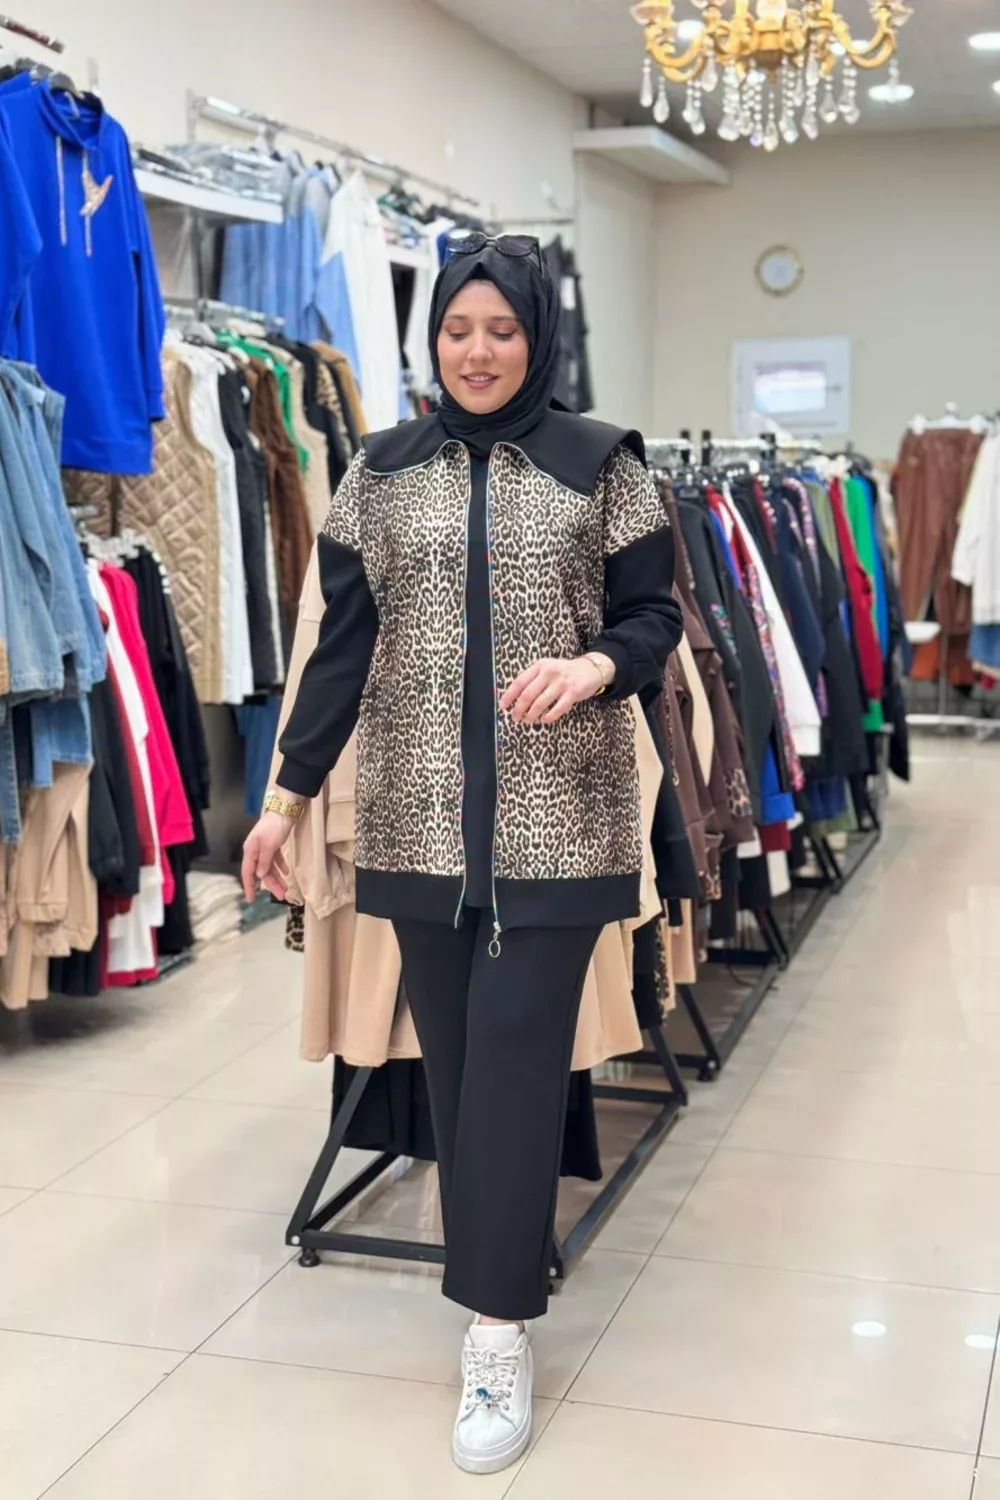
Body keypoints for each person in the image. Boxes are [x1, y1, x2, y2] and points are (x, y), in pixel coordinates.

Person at [241, 234, 683, 1476]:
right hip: (417, 823)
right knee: (455, 1073)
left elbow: (656, 616)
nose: (477, 352)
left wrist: (594, 664)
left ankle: (496, 1332)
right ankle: (499, 1274)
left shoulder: (603, 462)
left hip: (562, 820)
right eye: (455, 330)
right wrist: (284, 799)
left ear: (536, 337)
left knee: (513, 1067)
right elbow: (339, 650)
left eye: (501, 330)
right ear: (430, 340)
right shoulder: (379, 472)